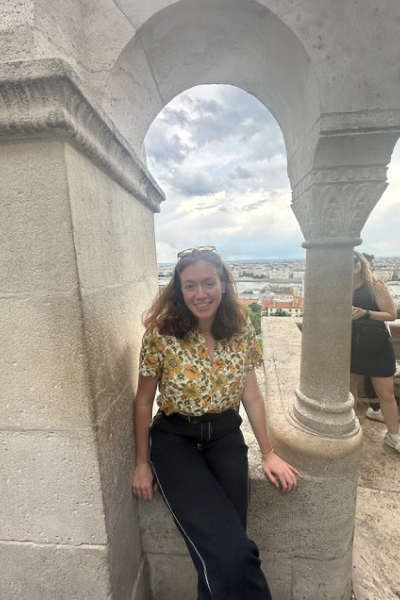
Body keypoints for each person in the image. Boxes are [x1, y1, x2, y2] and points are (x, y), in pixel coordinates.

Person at [132, 246, 301, 600]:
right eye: (190, 285)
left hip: (225, 436)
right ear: (178, 289)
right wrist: (141, 463)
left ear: (223, 283)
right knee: (231, 553)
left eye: (208, 282)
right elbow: (144, 400)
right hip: (174, 440)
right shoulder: (160, 335)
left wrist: (268, 453)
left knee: (224, 552)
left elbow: (251, 395)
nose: (200, 294)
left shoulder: (240, 331)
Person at [350, 251, 400, 452]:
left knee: (386, 393)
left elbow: (391, 314)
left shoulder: (374, 286)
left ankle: (394, 436)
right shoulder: (339, 287)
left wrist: (365, 313)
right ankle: (350, 430)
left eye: (354, 261)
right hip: (351, 343)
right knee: (349, 389)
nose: (351, 266)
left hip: (376, 345)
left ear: (360, 263)